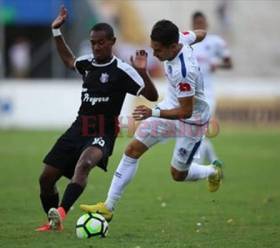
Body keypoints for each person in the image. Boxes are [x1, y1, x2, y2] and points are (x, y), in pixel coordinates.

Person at [80, 20, 224, 222]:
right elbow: (201, 33)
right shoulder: (181, 38)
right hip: (169, 108)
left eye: (158, 50)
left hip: (192, 121)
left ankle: (212, 170)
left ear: (173, 47)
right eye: (153, 48)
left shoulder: (185, 71)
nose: (154, 55)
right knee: (132, 150)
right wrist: (194, 36)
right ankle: (108, 207)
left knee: (178, 174)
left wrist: (153, 113)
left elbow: (185, 110)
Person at [36, 6, 158, 232]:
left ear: (112, 42)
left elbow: (152, 95)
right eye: (93, 43)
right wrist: (56, 32)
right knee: (46, 179)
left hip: (103, 131)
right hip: (78, 128)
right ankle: (53, 223)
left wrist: (142, 72)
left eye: (101, 42)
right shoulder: (87, 63)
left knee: (84, 165)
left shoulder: (123, 70)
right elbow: (69, 61)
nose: (96, 47)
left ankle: (61, 212)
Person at [192, 11, 233, 164]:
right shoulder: (188, 43)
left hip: (208, 93)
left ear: (206, 24)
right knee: (194, 130)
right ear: (193, 24)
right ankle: (214, 162)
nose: (200, 25)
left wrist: (218, 64)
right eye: (197, 23)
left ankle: (197, 166)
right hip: (191, 95)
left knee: (199, 129)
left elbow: (229, 63)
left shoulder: (216, 42)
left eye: (202, 23)